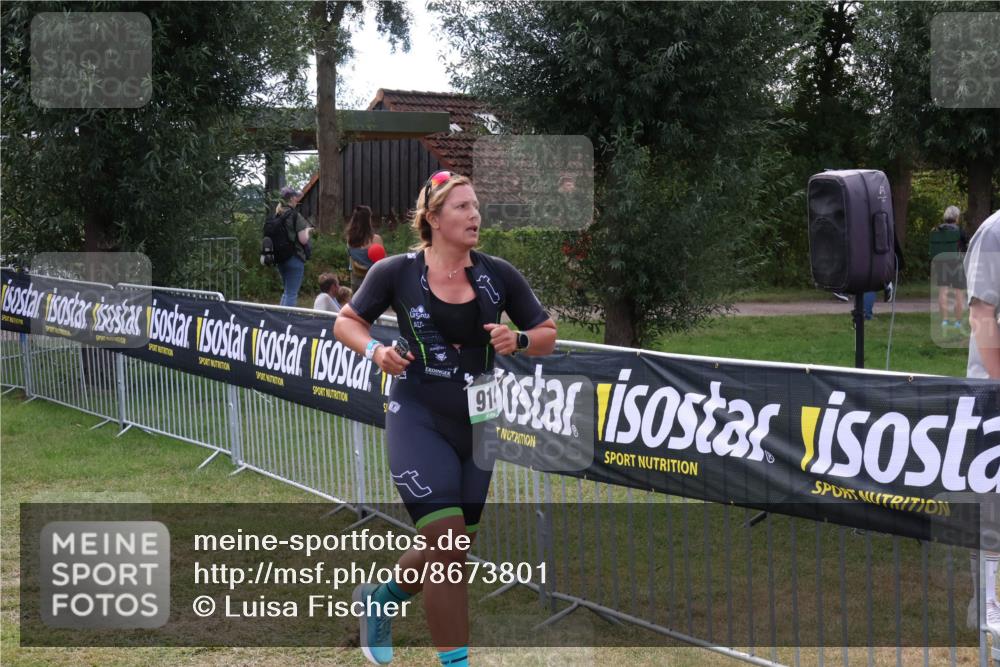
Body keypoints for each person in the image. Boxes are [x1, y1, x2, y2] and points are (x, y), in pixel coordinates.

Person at [334, 171, 557, 667]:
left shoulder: (498, 273)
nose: (474, 215)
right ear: (432, 218)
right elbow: (346, 321)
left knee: (451, 549)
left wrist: (518, 340)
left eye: (476, 205)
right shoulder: (395, 271)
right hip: (417, 415)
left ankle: (382, 597)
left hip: (477, 424)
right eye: (461, 207)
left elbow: (546, 332)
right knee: (449, 549)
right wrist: (375, 350)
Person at [933, 205, 970, 337]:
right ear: (956, 217)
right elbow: (967, 246)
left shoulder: (938, 230)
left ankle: (944, 320)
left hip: (941, 263)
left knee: (943, 291)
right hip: (956, 263)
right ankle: (958, 322)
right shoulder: (960, 231)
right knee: (958, 293)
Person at [274, 186, 312, 307]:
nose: (297, 199)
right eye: (295, 196)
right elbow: (303, 240)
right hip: (294, 258)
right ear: (291, 199)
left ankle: (280, 318)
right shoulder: (295, 216)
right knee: (291, 293)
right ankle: (286, 322)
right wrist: (308, 231)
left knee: (286, 292)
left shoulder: (277, 215)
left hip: (279, 258)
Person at [345, 204, 384, 293]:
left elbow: (351, 258)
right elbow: (383, 262)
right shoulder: (375, 239)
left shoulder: (350, 240)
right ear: (368, 220)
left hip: (356, 281)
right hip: (373, 281)